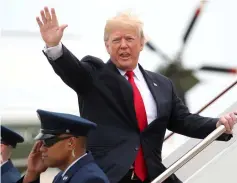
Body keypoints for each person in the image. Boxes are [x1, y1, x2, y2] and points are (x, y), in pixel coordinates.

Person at [35, 7, 237, 183]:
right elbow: (72, 69)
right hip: (108, 177)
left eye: (129, 39)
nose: (123, 45)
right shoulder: (94, 76)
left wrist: (218, 124)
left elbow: (183, 121)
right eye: (116, 40)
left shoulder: (163, 84)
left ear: (141, 43)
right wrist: (55, 48)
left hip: (154, 176)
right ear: (107, 46)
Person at [18, 109, 109, 183]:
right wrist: (32, 173)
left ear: (71, 143)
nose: (41, 148)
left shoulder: (91, 180)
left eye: (48, 142)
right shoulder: (62, 177)